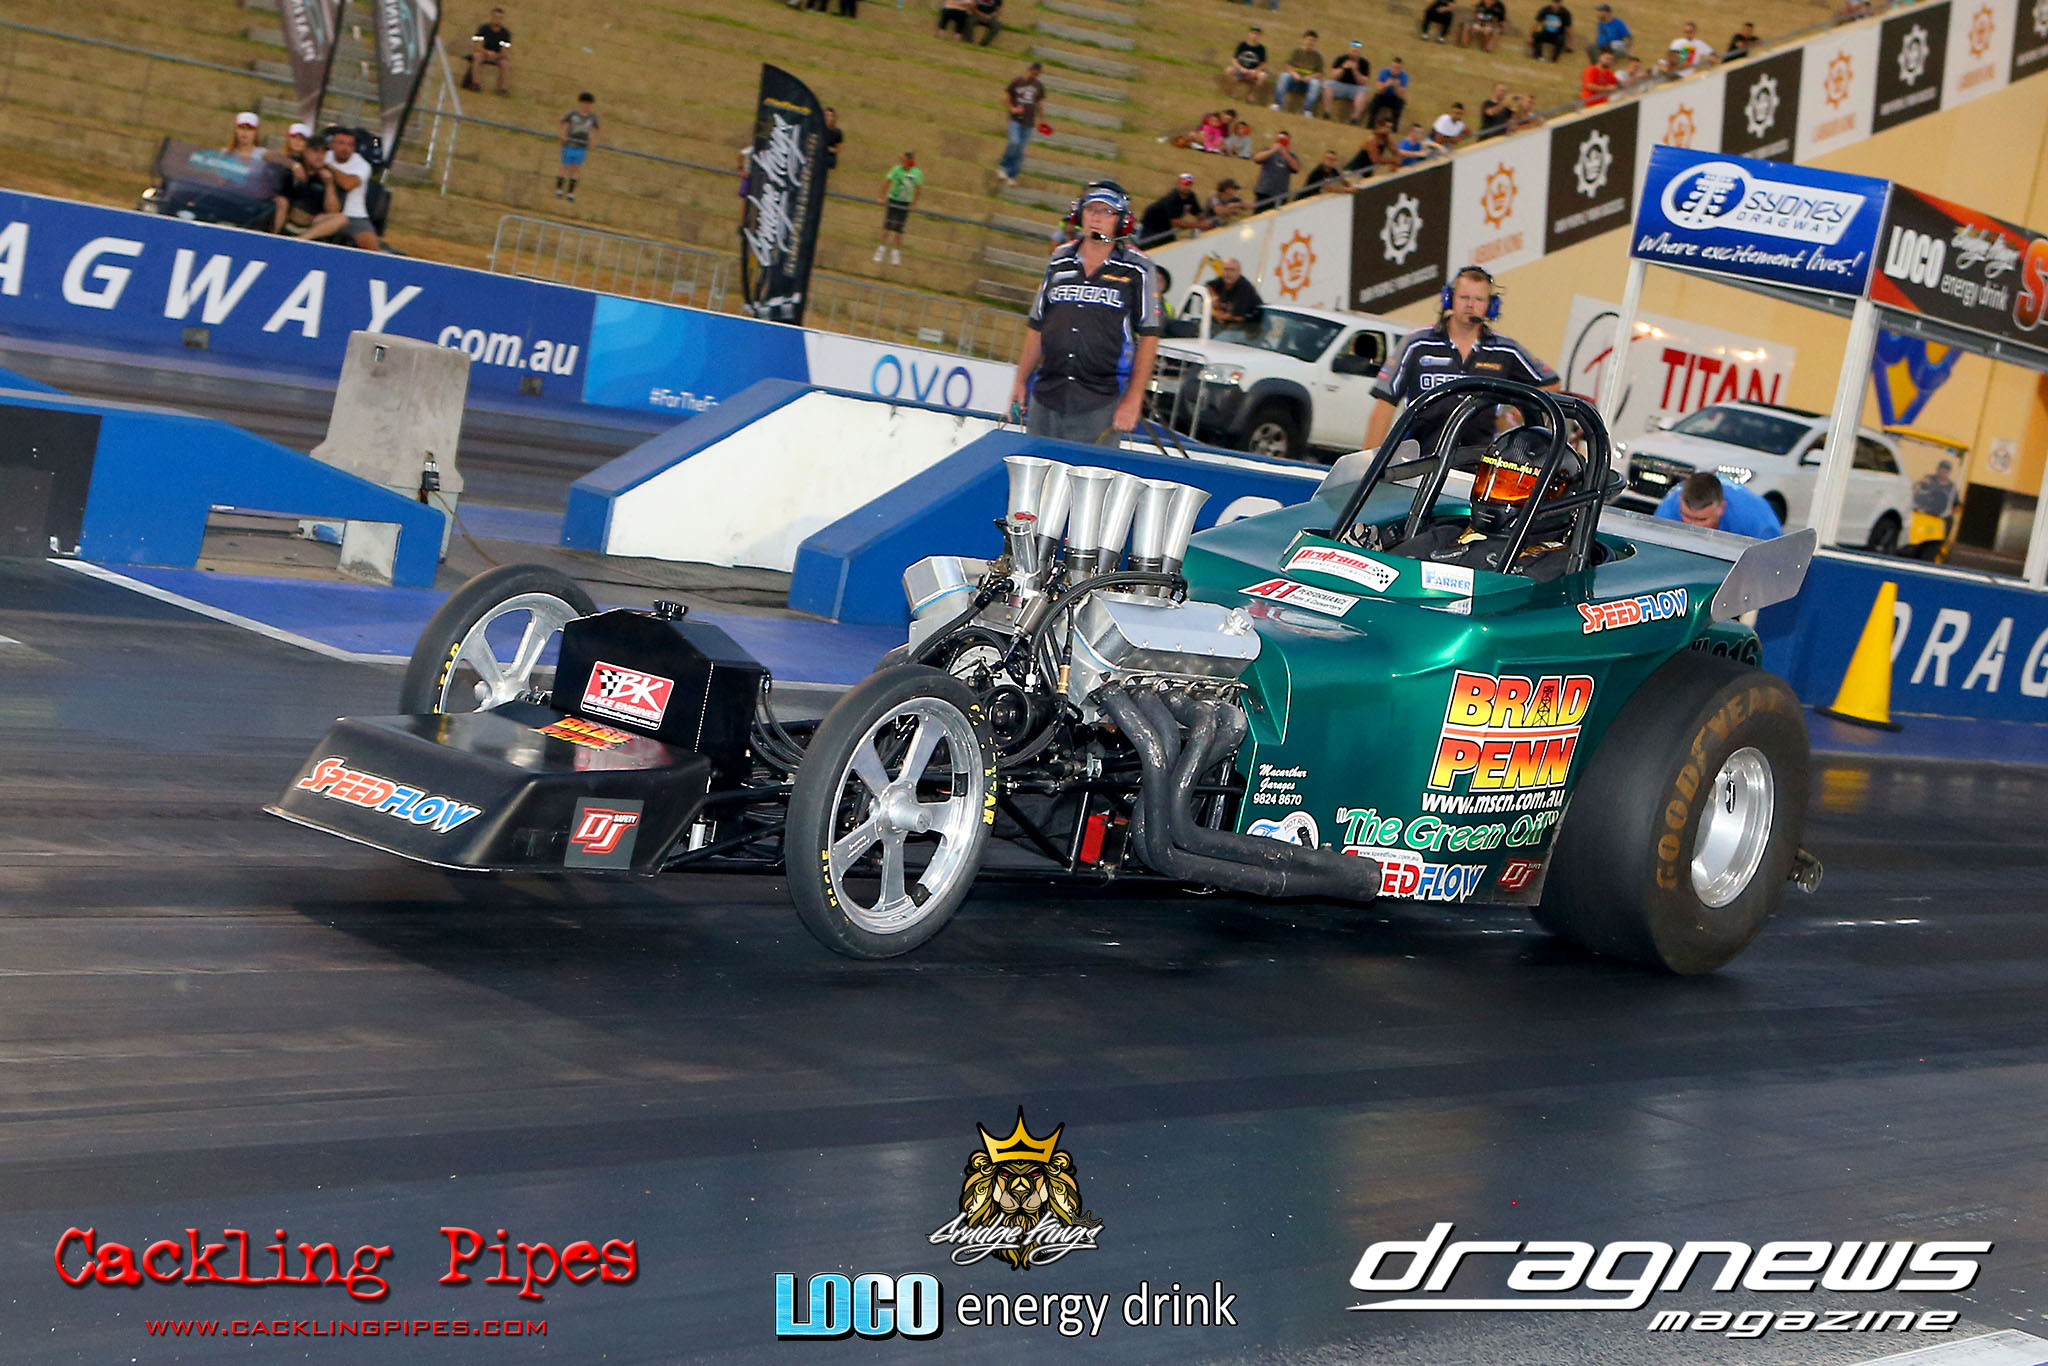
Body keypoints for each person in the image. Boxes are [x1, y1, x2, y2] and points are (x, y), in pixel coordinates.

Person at [1009, 183, 1162, 447]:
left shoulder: (1138, 268)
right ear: (1080, 214)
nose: (1096, 217)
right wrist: (1020, 381)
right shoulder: (1060, 259)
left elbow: (1149, 336)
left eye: (1106, 212)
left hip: (1101, 401)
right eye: (1091, 210)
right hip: (1048, 394)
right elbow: (1037, 325)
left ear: (1122, 221)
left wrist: (1134, 398)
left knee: (1088, 473)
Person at [1363, 266, 1560, 453]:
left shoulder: (1506, 350)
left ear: (1491, 306)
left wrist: (1518, 410)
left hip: (1477, 461)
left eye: (1479, 299)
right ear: (1449, 299)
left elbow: (1551, 384)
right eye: (1464, 297)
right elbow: (1385, 405)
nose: (1470, 305)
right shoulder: (1417, 344)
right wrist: (1367, 461)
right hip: (1419, 460)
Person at [305, 128, 379, 249]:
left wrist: (328, 166)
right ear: (332, 144)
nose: (345, 148)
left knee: (372, 247)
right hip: (322, 210)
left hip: (354, 215)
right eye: (341, 143)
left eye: (350, 145)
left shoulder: (362, 165)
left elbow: (348, 184)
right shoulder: (324, 155)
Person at [1657, 471, 1783, 537]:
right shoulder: (1668, 510)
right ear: (1679, 502)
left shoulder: (1758, 522)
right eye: (1687, 516)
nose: (1692, 526)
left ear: (1721, 508)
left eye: (1701, 520)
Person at [998, 62, 1044, 184]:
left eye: (1037, 75)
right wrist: (1011, 108)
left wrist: (1042, 118)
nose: (1034, 76)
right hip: (1016, 119)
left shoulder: (1038, 86)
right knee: (1014, 142)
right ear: (1029, 70)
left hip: (1029, 122)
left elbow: (1039, 103)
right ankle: (1004, 167)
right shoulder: (1017, 81)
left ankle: (1012, 175)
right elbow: (1005, 97)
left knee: (1021, 149)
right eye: (1033, 73)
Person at [875, 150, 922, 265]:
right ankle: (881, 249)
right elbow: (887, 182)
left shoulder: (917, 173)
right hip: (894, 199)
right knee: (888, 226)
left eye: (906, 160)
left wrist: (914, 203)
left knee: (899, 229)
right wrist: (882, 197)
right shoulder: (896, 170)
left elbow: (918, 189)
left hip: (905, 202)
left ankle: (896, 252)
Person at [1137, 173, 1210, 246]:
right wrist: (1197, 225)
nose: (1187, 187)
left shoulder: (1191, 197)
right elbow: (1175, 222)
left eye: (1189, 184)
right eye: (1184, 184)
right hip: (1152, 224)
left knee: (1171, 245)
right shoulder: (1172, 197)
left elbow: (1198, 213)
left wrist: (1207, 222)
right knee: (1148, 245)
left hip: (1166, 227)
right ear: (1179, 184)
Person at [1207, 258, 1265, 337]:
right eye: (1226, 269)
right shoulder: (1221, 281)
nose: (1228, 273)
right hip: (1230, 325)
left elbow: (1238, 317)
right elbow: (1208, 286)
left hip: (1252, 329)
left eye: (1232, 270)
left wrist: (1215, 315)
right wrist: (1214, 297)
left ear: (1239, 272)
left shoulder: (1244, 288)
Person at [1272, 30, 1326, 115]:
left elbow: (1320, 73)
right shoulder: (1296, 52)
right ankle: (1278, 104)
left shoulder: (1318, 57)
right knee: (1284, 76)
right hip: (1294, 81)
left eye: (1313, 40)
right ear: (1304, 40)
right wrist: (1294, 74)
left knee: (1315, 83)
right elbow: (1288, 66)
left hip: (1307, 83)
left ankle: (1307, 110)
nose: (1310, 42)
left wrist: (1309, 77)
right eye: (1308, 40)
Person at [557, 93, 599, 201]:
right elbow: (562, 121)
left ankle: (570, 193)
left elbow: (596, 128)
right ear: (580, 103)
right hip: (569, 144)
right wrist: (562, 134)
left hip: (581, 146)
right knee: (564, 166)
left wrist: (593, 139)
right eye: (584, 103)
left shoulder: (592, 117)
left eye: (589, 104)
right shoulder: (573, 114)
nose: (586, 106)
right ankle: (559, 189)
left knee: (576, 168)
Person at [464, 8, 512, 93]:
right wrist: (486, 52)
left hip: (497, 56)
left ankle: (503, 89)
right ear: (492, 17)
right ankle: (475, 83)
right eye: (495, 17)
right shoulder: (483, 28)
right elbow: (477, 45)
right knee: (477, 57)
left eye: (499, 18)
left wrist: (496, 56)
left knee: (505, 64)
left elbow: (505, 51)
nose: (497, 20)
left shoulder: (506, 33)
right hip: (484, 54)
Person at [1323, 41, 1373, 122]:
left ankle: (1355, 118)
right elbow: (1332, 76)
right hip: (1340, 85)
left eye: (1356, 51)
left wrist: (1355, 71)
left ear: (1359, 53)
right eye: (1353, 51)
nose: (1354, 53)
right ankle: (1327, 113)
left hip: (1355, 88)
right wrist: (1343, 68)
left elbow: (1364, 82)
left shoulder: (1364, 63)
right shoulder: (1341, 59)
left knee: (1365, 91)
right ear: (1349, 50)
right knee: (1327, 85)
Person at [1250, 130, 1299, 208]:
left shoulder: (1292, 155)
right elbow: (1257, 158)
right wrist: (1273, 150)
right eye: (1280, 139)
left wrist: (1285, 153)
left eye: (1284, 140)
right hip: (1264, 190)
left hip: (1281, 194)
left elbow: (1296, 168)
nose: (1281, 142)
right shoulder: (1268, 150)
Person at [1364, 57, 1410, 130]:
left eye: (1398, 68)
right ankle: (1370, 123)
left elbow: (1401, 95)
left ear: (1401, 69)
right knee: (1375, 101)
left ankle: (1394, 127)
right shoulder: (1384, 72)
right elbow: (1378, 89)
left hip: (1395, 98)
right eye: (1394, 67)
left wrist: (1397, 87)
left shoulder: (1404, 76)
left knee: (1400, 103)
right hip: (1383, 95)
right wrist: (1386, 84)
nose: (1395, 70)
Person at [1224, 26, 1270, 95]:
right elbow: (1234, 60)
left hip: (1253, 72)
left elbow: (1263, 63)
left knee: (1263, 75)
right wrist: (1241, 68)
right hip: (1241, 70)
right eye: (1253, 33)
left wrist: (1256, 71)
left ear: (1259, 36)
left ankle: (1252, 94)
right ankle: (1231, 90)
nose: (1254, 35)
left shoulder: (1261, 48)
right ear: (1249, 34)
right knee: (1229, 70)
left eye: (1257, 34)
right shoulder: (1242, 45)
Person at [821, 107, 843, 174]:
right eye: (826, 115)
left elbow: (838, 150)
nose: (827, 118)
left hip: (829, 159)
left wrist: (828, 149)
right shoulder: (818, 129)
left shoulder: (837, 132)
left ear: (833, 118)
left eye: (829, 116)